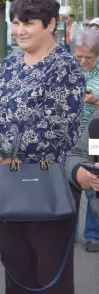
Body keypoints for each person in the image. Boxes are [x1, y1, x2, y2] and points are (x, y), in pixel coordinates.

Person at [0, 0, 84, 293]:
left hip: (47, 187)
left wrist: (7, 149)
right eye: (15, 23)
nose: (20, 30)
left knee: (51, 277)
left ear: (51, 24)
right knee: (16, 273)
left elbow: (58, 126)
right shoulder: (10, 64)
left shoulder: (64, 67)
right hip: (8, 184)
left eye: (29, 23)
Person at [69, 28, 99, 253]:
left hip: (94, 138)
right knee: (69, 185)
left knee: (93, 181)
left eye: (88, 58)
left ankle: (93, 235)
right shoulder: (67, 71)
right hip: (69, 137)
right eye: (78, 56)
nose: (83, 61)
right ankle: (69, 232)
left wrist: (95, 101)